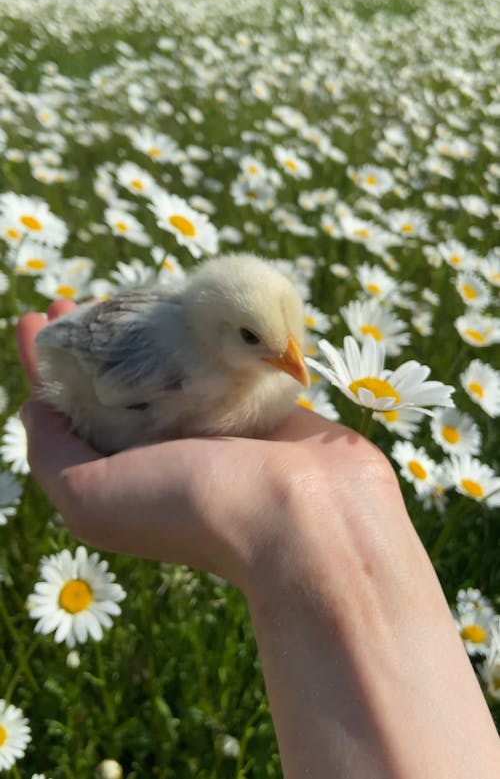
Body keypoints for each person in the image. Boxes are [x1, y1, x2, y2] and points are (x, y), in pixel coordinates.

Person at [16, 301, 500, 778]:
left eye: (293, 339)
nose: (294, 361)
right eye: (256, 339)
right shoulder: (185, 366)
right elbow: (104, 372)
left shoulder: (236, 364)